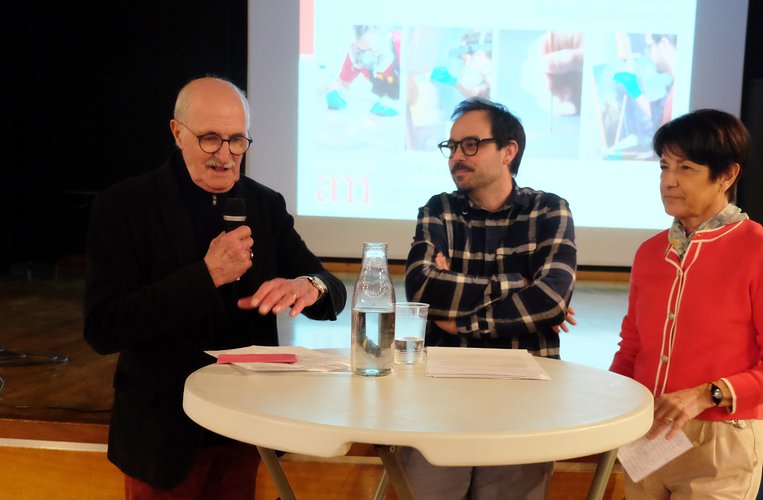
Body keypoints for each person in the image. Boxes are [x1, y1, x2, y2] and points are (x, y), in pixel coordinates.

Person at [84, 76, 346, 499]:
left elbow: (329, 285)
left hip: (244, 427)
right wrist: (205, 276)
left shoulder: (265, 204)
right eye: (210, 139)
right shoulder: (125, 206)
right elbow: (104, 328)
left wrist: (309, 285)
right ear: (177, 133)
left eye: (237, 141)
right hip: (164, 435)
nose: (225, 155)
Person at [609, 109, 763, 499]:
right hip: (647, 433)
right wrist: (610, 408)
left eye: (686, 168)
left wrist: (705, 394)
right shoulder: (650, 252)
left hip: (720, 439)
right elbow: (631, 348)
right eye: (664, 167)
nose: (668, 181)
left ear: (727, 175)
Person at [402, 97, 578, 499]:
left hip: (524, 400)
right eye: (451, 146)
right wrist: (520, 284)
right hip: (440, 399)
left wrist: (461, 322)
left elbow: (550, 299)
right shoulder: (439, 209)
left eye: (470, 145)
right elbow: (421, 287)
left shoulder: (549, 210)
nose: (456, 157)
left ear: (508, 151)